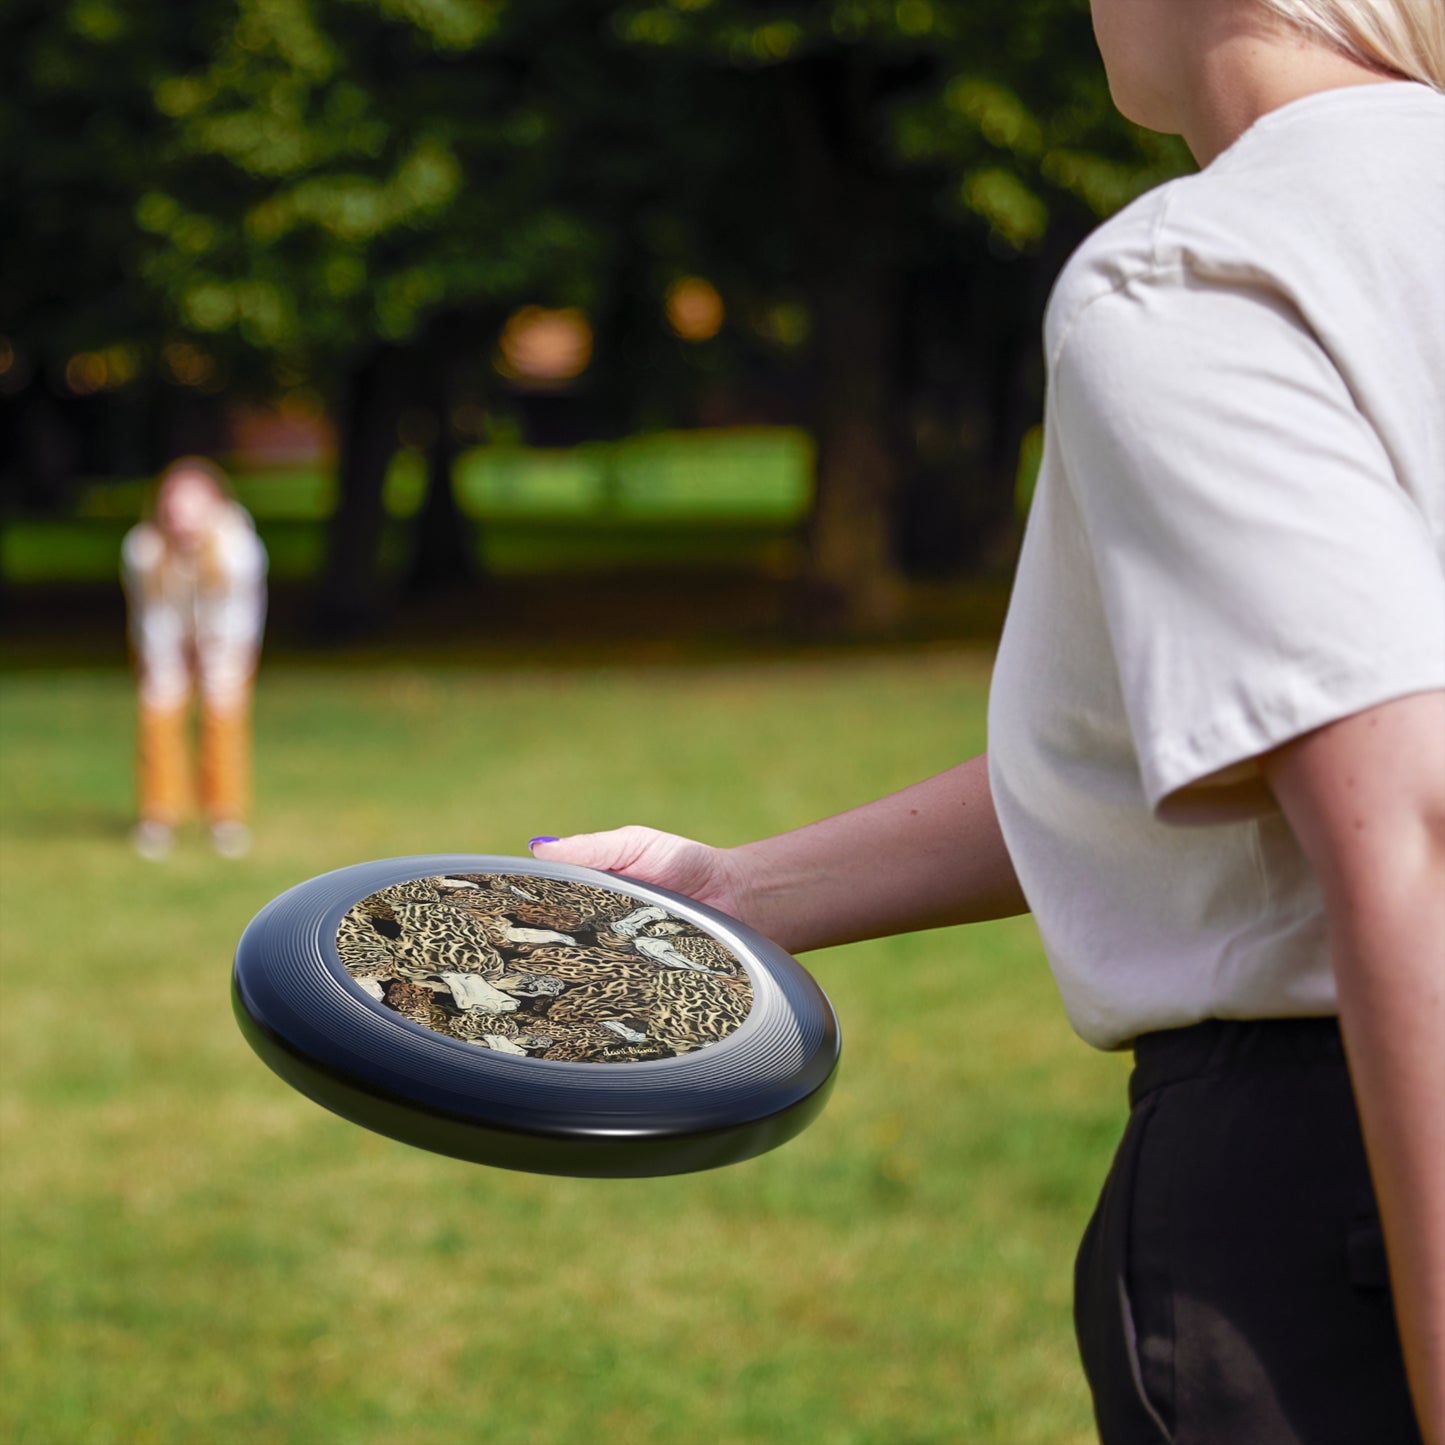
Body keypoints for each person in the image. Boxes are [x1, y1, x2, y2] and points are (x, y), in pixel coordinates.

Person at [527, 2, 1445, 1440]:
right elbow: (1222, 739)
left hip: (1342, 1193)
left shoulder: (1204, 270)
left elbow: (1410, 822)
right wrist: (738, 890)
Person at [121, 457, 268, 860]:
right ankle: (158, 816)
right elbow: (152, 616)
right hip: (165, 640)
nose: (182, 517)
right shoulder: (143, 549)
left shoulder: (239, 548)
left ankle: (225, 818)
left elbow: (239, 616)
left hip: (226, 641)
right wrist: (168, 664)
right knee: (158, 712)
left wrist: (215, 659)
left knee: (223, 717)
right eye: (174, 506)